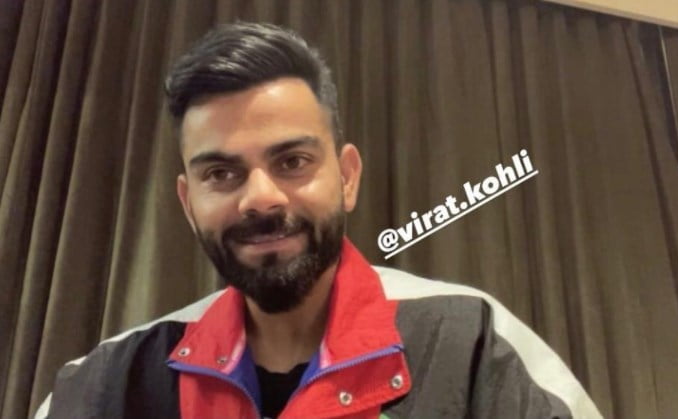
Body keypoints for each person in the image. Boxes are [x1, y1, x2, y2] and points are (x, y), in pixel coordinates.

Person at [36, 22, 602, 419]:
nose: (260, 198)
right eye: (221, 173)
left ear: (348, 177)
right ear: (188, 204)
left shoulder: (474, 342)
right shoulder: (103, 382)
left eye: (292, 162)